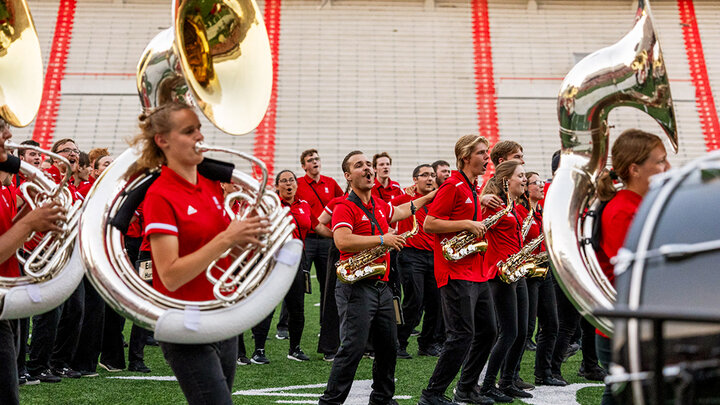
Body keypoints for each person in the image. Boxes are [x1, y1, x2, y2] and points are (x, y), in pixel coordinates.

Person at [130, 102, 270, 404]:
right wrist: (227, 238)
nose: (199, 137)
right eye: (188, 131)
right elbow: (170, 275)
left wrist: (247, 239)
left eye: (199, 129)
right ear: (162, 141)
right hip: (186, 324)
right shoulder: (159, 194)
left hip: (223, 315)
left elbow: (221, 251)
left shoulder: (209, 184)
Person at [318, 151, 434, 405]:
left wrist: (428, 197)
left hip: (382, 286)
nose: (368, 169)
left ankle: (382, 399)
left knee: (388, 347)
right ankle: (330, 402)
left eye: (369, 164)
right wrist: (383, 239)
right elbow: (342, 240)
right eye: (359, 166)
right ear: (348, 176)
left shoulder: (380, 205)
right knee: (352, 348)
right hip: (355, 286)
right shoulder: (344, 206)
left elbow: (403, 210)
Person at [417, 135, 497, 405]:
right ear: (465, 157)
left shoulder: (473, 187)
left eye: (487, 153)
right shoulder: (451, 185)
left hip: (476, 270)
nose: (487, 158)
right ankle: (432, 393)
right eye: (482, 153)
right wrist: (467, 223)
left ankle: (465, 388)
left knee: (489, 331)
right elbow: (430, 223)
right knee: (461, 335)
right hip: (455, 271)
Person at [595, 129, 670, 405]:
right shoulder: (622, 210)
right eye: (660, 161)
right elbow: (639, 272)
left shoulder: (640, 204)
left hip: (637, 321)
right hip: (625, 324)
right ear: (635, 169)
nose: (668, 168)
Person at [0, 125, 65, 404]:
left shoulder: (5, 187)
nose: (8, 137)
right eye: (1, 130)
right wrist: (29, 222)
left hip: (6, 297)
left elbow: (8, 236)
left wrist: (32, 213)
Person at [246, 169, 331, 364]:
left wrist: (338, 236)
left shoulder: (304, 206)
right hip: (272, 261)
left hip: (296, 261)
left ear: (296, 184)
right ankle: (258, 350)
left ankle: (295, 349)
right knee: (266, 306)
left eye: (291, 180)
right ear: (276, 186)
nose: (288, 184)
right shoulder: (269, 205)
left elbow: (317, 226)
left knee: (297, 308)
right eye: (283, 181)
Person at [479, 160, 533, 401]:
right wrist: (482, 199)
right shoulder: (494, 204)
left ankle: (507, 381)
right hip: (500, 273)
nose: (525, 180)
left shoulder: (511, 204)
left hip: (515, 270)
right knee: (509, 332)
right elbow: (477, 222)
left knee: (521, 332)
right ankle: (488, 384)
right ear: (505, 180)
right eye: (520, 176)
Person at [294, 148, 344, 344]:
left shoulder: (330, 183)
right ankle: (285, 325)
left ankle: (326, 325)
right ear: (303, 165)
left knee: (327, 283)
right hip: (306, 239)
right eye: (310, 160)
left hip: (326, 239)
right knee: (297, 282)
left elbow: (343, 201)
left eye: (316, 159)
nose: (315, 162)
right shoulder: (296, 183)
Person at [393, 164, 441, 359]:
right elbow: (384, 211)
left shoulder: (439, 200)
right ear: (415, 180)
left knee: (436, 302)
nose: (430, 178)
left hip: (434, 255)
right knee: (414, 300)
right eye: (424, 175)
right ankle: (399, 342)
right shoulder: (405, 198)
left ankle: (427, 343)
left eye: (432, 175)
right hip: (411, 254)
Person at [521, 172, 563, 386]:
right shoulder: (520, 211)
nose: (540, 185)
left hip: (543, 269)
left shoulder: (542, 212)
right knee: (524, 329)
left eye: (540, 182)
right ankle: (511, 376)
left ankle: (544, 373)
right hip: (526, 272)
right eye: (534, 182)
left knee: (551, 324)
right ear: (525, 187)